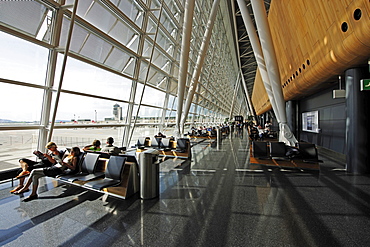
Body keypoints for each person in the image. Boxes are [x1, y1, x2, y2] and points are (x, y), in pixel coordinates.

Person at [13, 147, 81, 202]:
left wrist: (66, 164)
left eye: (72, 151)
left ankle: (25, 187)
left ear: (76, 152)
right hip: (55, 167)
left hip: (57, 170)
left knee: (34, 171)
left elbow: (73, 168)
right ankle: (33, 194)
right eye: (71, 151)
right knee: (35, 176)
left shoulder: (75, 158)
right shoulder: (67, 156)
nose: (71, 152)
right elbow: (60, 161)